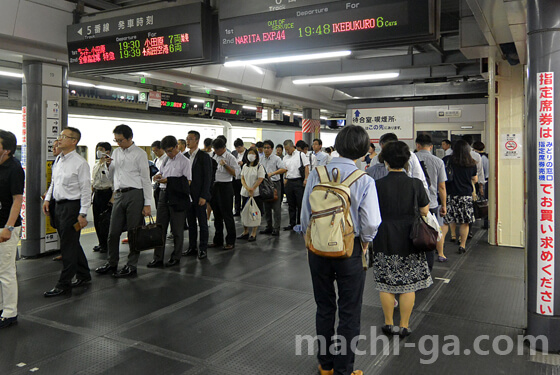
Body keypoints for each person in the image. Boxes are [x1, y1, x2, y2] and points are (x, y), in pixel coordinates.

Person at [300, 125, 381, 375]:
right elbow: (370, 222)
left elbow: (305, 215)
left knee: (324, 307)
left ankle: (325, 366)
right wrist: (365, 241)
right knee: (349, 311)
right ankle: (344, 369)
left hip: (317, 250)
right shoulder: (363, 179)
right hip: (350, 251)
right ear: (363, 149)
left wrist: (311, 240)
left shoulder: (317, 173)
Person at [371, 141, 433, 338]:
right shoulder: (415, 184)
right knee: (409, 284)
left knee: (385, 283)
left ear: (386, 161)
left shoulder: (377, 185)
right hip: (410, 236)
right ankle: (404, 326)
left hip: (385, 235)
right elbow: (424, 210)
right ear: (407, 161)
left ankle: (388, 323)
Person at [95, 124, 152, 278]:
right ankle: (111, 262)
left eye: (120, 140)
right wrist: (107, 166)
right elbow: (112, 174)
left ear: (129, 138)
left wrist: (147, 204)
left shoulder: (140, 154)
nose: (118, 143)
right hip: (119, 194)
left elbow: (146, 179)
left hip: (135, 194)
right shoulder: (116, 152)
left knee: (134, 232)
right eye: (116, 140)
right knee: (113, 232)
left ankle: (131, 265)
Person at [43, 127, 92, 297]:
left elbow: (86, 189)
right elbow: (53, 183)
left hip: (72, 208)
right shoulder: (59, 160)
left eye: (64, 136)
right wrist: (48, 199)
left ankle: (64, 283)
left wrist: (83, 213)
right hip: (58, 206)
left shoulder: (80, 163)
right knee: (71, 242)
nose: (59, 139)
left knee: (67, 247)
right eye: (60, 136)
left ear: (74, 141)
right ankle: (84, 274)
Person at [147, 136, 192, 268]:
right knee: (160, 227)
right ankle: (158, 257)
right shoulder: (165, 159)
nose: (169, 153)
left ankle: (176, 257)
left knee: (177, 229)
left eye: (171, 150)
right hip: (163, 194)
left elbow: (187, 182)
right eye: (166, 151)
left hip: (177, 197)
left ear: (177, 147)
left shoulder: (185, 161)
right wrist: (158, 177)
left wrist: (169, 181)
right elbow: (162, 173)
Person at [0, 130, 24, 328]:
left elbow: (18, 200)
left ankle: (9, 313)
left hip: (7, 226)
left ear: (6, 149)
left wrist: (8, 227)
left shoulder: (15, 168)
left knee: (6, 270)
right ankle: (2, 307)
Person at [415, 134, 448, 264]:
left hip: (415, 204)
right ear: (431, 146)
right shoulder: (439, 161)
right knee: (432, 232)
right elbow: (442, 186)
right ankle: (436, 257)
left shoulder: (412, 159)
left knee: (415, 232)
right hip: (432, 203)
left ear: (417, 145)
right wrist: (444, 205)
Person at [442, 140, 478, 253]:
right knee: (465, 222)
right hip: (465, 196)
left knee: (447, 220)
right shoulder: (471, 163)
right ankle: (462, 245)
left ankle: (443, 242)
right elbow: (475, 179)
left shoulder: (447, 160)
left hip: (450, 194)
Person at [183, 130, 213, 259]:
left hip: (199, 195)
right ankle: (192, 247)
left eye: (190, 139)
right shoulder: (184, 156)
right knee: (191, 223)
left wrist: (204, 196)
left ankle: (203, 248)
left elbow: (208, 178)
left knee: (202, 223)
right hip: (187, 195)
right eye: (187, 138)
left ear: (197, 140)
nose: (187, 141)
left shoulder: (204, 157)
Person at [209, 137, 240, 250]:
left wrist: (225, 165)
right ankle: (218, 240)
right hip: (215, 186)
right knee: (217, 215)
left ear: (223, 148)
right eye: (214, 149)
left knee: (227, 215)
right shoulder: (213, 156)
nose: (215, 152)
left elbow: (236, 174)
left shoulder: (230, 157)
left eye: (217, 149)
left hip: (226, 186)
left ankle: (230, 241)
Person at [237, 147, 265, 241]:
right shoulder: (245, 166)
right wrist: (247, 188)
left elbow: (260, 178)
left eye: (253, 154)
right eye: (249, 153)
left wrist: (253, 188)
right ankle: (245, 231)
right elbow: (242, 178)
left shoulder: (259, 166)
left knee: (254, 212)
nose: (250, 156)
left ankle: (253, 232)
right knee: (244, 211)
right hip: (245, 192)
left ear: (256, 156)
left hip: (255, 193)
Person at [260, 140, 286, 236]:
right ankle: (268, 227)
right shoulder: (261, 159)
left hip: (275, 184)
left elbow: (284, 169)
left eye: (268, 148)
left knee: (276, 207)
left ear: (272, 149)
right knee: (266, 207)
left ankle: (276, 228)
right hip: (264, 184)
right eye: (265, 148)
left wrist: (273, 173)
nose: (266, 150)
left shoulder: (277, 159)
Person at [282, 139, 309, 231]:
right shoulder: (285, 158)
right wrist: (285, 179)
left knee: (300, 203)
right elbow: (285, 170)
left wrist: (306, 179)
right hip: (289, 181)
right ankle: (292, 223)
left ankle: (300, 223)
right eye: (285, 149)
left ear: (292, 146)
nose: (287, 151)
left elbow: (306, 167)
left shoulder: (300, 155)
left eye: (288, 149)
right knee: (291, 203)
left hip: (298, 181)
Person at [92, 142, 113, 254]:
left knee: (106, 221)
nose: (98, 151)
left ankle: (107, 244)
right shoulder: (96, 165)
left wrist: (112, 199)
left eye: (100, 149)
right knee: (97, 220)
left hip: (107, 194)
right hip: (97, 194)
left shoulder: (110, 164)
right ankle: (101, 243)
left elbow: (114, 182)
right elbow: (94, 181)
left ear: (107, 151)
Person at [49, 140, 63, 262]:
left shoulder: (76, 162)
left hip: (69, 204)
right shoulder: (57, 162)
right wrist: (48, 198)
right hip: (56, 200)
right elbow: (53, 182)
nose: (53, 149)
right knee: (58, 227)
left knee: (68, 234)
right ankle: (64, 252)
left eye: (55, 147)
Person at [231, 138, 248, 216]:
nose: (237, 149)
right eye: (236, 148)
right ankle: (237, 210)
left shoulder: (248, 153)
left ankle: (244, 209)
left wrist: (243, 163)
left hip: (244, 177)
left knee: (244, 194)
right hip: (235, 177)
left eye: (239, 147)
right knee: (236, 194)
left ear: (242, 146)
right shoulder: (233, 153)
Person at [151, 140, 167, 210]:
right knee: (158, 207)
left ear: (162, 149)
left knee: (164, 208)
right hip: (156, 186)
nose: (155, 153)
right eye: (153, 151)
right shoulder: (156, 160)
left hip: (164, 187)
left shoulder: (167, 159)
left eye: (156, 150)